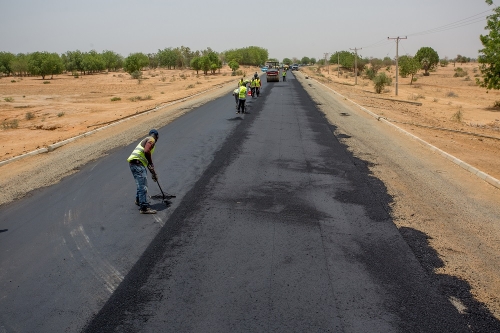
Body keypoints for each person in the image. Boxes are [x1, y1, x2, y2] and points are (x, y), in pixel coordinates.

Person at [127, 129, 159, 214]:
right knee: (143, 186)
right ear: (157, 137)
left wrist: (153, 172)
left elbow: (146, 158)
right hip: (138, 164)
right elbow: (146, 151)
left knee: (140, 184)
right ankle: (144, 207)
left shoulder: (146, 140)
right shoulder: (151, 140)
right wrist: (151, 163)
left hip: (134, 164)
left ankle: (138, 200)